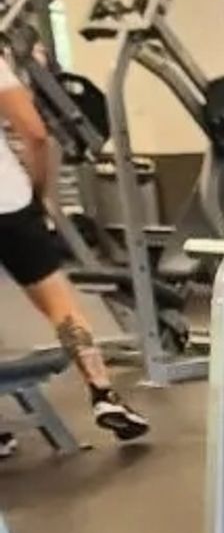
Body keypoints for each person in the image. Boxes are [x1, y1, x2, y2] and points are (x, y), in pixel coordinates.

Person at [0, 58, 148, 446]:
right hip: (9, 200)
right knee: (60, 304)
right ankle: (103, 392)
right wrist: (39, 192)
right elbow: (34, 133)